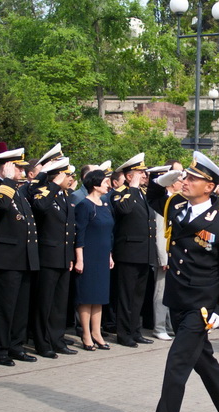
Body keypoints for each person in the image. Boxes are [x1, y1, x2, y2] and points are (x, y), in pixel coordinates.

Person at [132, 152, 219, 412]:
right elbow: (154, 195)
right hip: (178, 300)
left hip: (202, 308)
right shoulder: (177, 206)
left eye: (193, 178)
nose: (187, 181)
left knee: (175, 370)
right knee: (203, 360)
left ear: (210, 186)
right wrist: (167, 178)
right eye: (187, 176)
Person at [0, 148, 40, 366]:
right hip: (7, 257)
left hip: (23, 256)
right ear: (6, 167)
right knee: (5, 308)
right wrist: (7, 180)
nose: (21, 171)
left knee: (20, 308)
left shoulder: (17, 189)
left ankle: (16, 346)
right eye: (17, 167)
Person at [30, 157, 78, 358]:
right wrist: (53, 185)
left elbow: (68, 229)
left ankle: (57, 339)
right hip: (47, 256)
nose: (71, 178)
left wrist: (70, 256)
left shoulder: (65, 196)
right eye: (67, 175)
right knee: (45, 303)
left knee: (59, 303)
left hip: (63, 256)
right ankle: (42, 342)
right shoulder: (45, 192)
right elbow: (40, 207)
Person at [111, 153, 156, 347]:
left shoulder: (141, 193)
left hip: (144, 253)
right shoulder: (120, 193)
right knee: (126, 297)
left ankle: (135, 330)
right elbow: (125, 210)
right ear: (129, 176)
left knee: (138, 297)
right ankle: (123, 334)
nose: (145, 175)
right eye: (140, 172)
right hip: (128, 252)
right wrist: (133, 187)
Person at [74, 169, 114, 351]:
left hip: (103, 255)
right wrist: (79, 259)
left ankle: (97, 332)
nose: (109, 184)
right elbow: (79, 234)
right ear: (96, 184)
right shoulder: (85, 205)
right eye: (105, 181)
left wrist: (110, 255)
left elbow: (109, 233)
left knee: (99, 297)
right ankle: (86, 334)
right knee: (87, 297)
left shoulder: (104, 204)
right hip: (89, 255)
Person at [151, 160, 184, 341]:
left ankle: (170, 325)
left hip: (175, 255)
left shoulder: (177, 201)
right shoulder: (164, 202)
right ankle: (159, 326)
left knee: (173, 293)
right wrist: (163, 258)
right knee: (161, 293)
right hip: (165, 255)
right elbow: (160, 233)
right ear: (171, 183)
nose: (182, 183)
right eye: (179, 180)